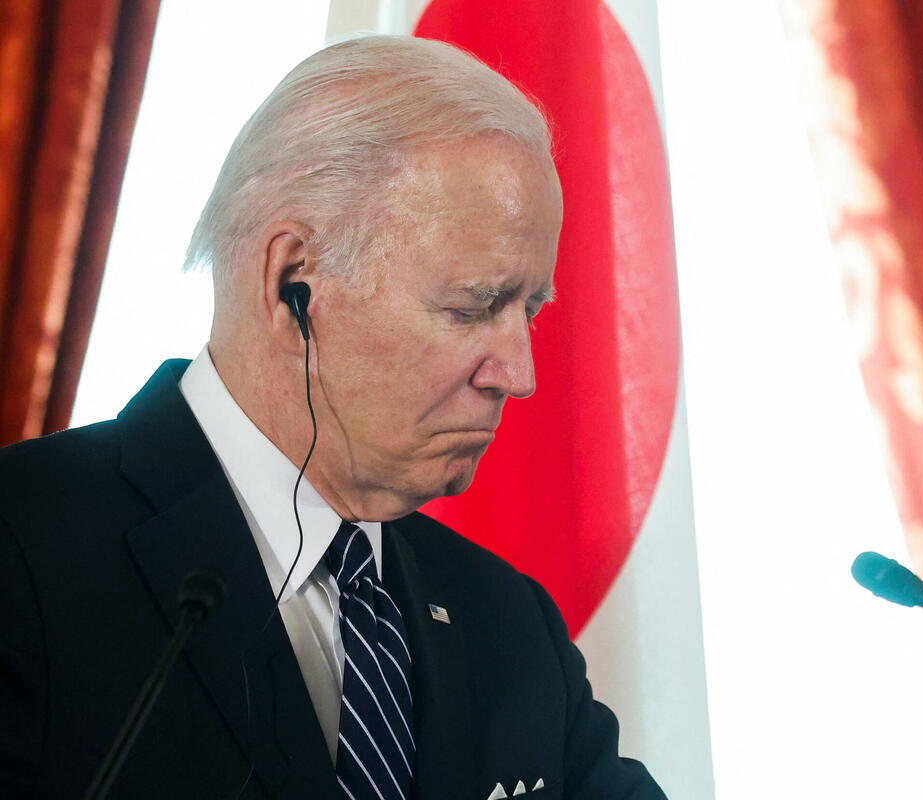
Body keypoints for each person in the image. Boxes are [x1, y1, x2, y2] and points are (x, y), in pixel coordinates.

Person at [0, 35, 666, 800]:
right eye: (473, 306)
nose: (519, 376)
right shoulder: (21, 548)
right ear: (294, 284)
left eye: (530, 311)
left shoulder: (510, 622)